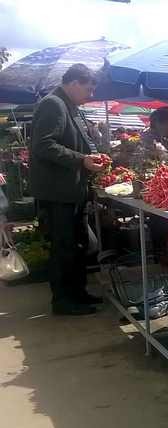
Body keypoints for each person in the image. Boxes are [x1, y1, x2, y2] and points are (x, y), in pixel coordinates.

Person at [29, 64, 105, 315]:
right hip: (58, 193)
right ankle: (62, 300)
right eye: (88, 88)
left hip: (72, 190)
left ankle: (78, 292)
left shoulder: (69, 106)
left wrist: (92, 156)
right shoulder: (53, 104)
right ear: (74, 83)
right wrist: (80, 159)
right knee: (64, 247)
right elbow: (43, 145)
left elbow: (75, 143)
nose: (90, 94)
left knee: (80, 244)